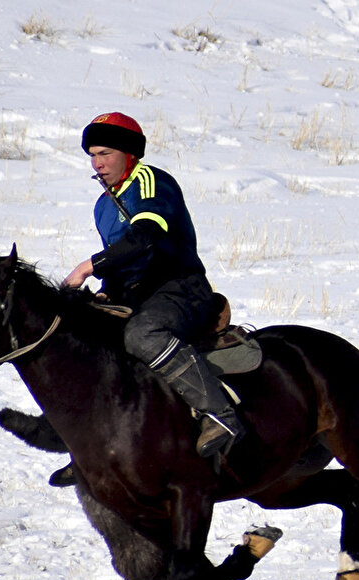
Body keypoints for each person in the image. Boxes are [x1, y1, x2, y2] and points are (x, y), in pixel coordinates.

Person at [60, 112, 244, 471]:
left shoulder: (151, 183)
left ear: (129, 154)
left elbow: (145, 237)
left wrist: (87, 267)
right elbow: (120, 264)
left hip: (179, 288)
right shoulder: (103, 206)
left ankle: (221, 414)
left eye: (105, 153)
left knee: (144, 335)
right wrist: (105, 292)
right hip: (135, 294)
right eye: (92, 155)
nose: (97, 163)